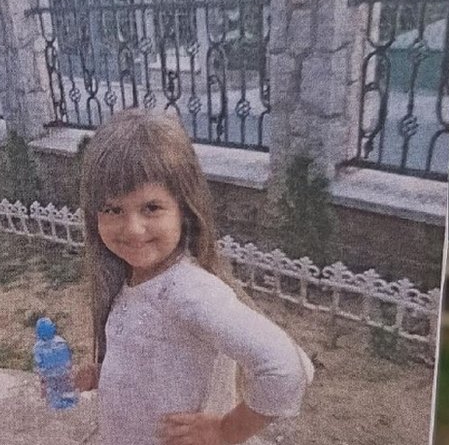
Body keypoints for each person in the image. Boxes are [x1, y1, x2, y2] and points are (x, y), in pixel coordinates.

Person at [72, 108, 313, 445]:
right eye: (113, 209)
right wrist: (103, 375)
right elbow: (155, 361)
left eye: (151, 208)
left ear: (183, 209)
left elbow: (287, 368)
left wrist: (226, 430)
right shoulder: (134, 279)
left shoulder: (188, 292)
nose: (133, 228)